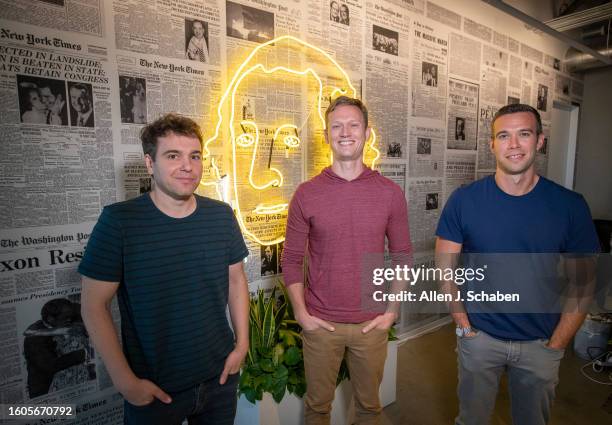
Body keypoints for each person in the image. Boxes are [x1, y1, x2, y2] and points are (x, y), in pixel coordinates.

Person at [79, 113, 250, 425]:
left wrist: (242, 346)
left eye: (194, 156)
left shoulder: (222, 216)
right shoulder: (119, 222)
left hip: (219, 379)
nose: (187, 166)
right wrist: (125, 382)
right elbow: (93, 305)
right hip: (155, 391)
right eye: (173, 155)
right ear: (149, 163)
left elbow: (236, 281)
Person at [435, 103, 599, 425]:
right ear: (492, 144)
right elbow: (446, 270)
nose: (513, 145)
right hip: (479, 340)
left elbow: (584, 284)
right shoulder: (464, 201)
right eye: (504, 136)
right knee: (471, 420)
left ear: (539, 140)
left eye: (523, 134)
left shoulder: (570, 207)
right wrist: (464, 328)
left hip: (541, 344)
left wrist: (556, 346)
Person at [282, 96, 412, 424]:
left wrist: (391, 312)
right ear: (326, 135)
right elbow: (292, 258)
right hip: (321, 324)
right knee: (317, 408)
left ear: (367, 133)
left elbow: (402, 256)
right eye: (336, 126)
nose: (345, 132)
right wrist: (301, 313)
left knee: (369, 409)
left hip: (372, 324)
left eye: (353, 124)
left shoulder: (389, 193)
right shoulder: (307, 193)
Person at [23, 298, 88, 398]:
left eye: (71, 316)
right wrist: (84, 353)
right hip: (47, 389)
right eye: (65, 317)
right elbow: (50, 366)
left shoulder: (68, 316)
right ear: (50, 319)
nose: (70, 319)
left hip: (76, 381)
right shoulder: (34, 340)